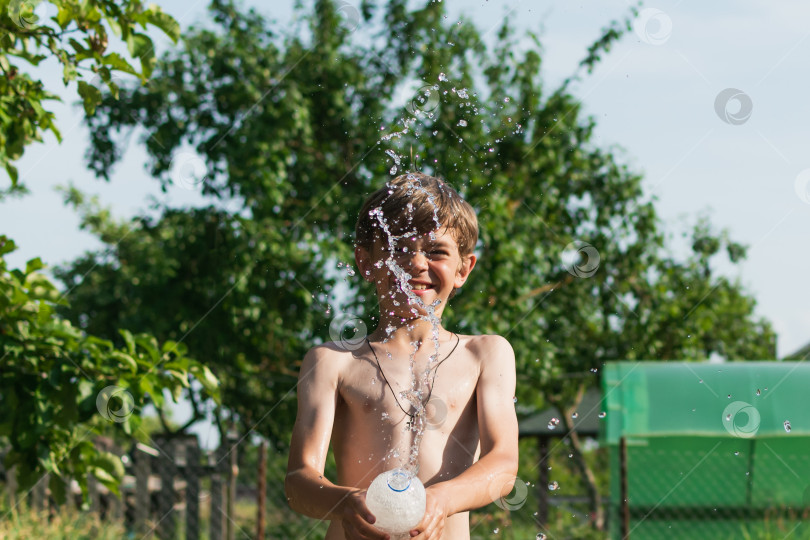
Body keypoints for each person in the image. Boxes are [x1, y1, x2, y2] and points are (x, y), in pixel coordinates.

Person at [285, 172, 519, 539]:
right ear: (366, 262)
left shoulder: (486, 355)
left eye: (437, 251)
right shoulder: (333, 361)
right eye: (399, 249)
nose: (416, 264)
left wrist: (442, 499)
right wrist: (344, 503)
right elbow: (298, 481)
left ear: (464, 268)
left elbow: (503, 465)